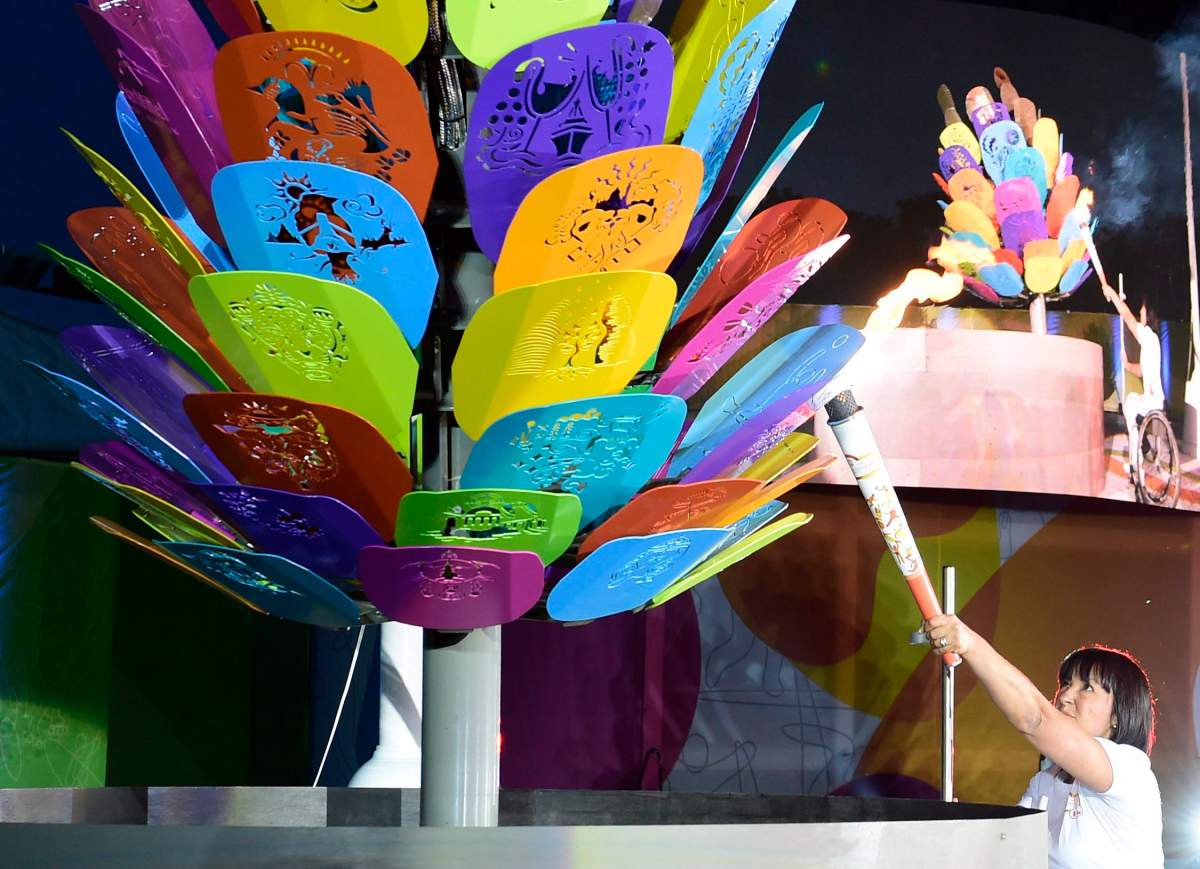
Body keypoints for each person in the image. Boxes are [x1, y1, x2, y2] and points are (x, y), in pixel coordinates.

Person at [923, 614, 1163, 868]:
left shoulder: (1129, 769)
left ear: (1118, 713)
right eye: (1066, 684)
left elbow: (1035, 720)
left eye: (1088, 688)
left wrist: (970, 644)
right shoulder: (1045, 782)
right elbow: (1004, 849)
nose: (1066, 695)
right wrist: (959, 826)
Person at [1102, 284, 1163, 482]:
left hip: (1151, 401)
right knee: (1132, 404)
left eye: (1143, 308)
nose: (1140, 311)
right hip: (1155, 400)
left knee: (1129, 404)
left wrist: (1113, 295)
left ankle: (1137, 462)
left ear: (1149, 312)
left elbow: (1128, 318)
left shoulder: (1147, 335)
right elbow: (1142, 371)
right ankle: (1140, 449)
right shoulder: (1153, 342)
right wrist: (1127, 364)